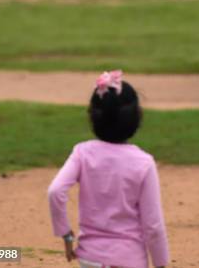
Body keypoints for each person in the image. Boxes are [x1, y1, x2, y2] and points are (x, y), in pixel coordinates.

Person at [47, 70, 169, 268]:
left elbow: (55, 191)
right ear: (136, 118)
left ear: (93, 117)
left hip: (89, 258)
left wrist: (67, 236)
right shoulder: (144, 162)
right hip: (128, 260)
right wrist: (160, 263)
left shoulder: (82, 153)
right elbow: (153, 225)